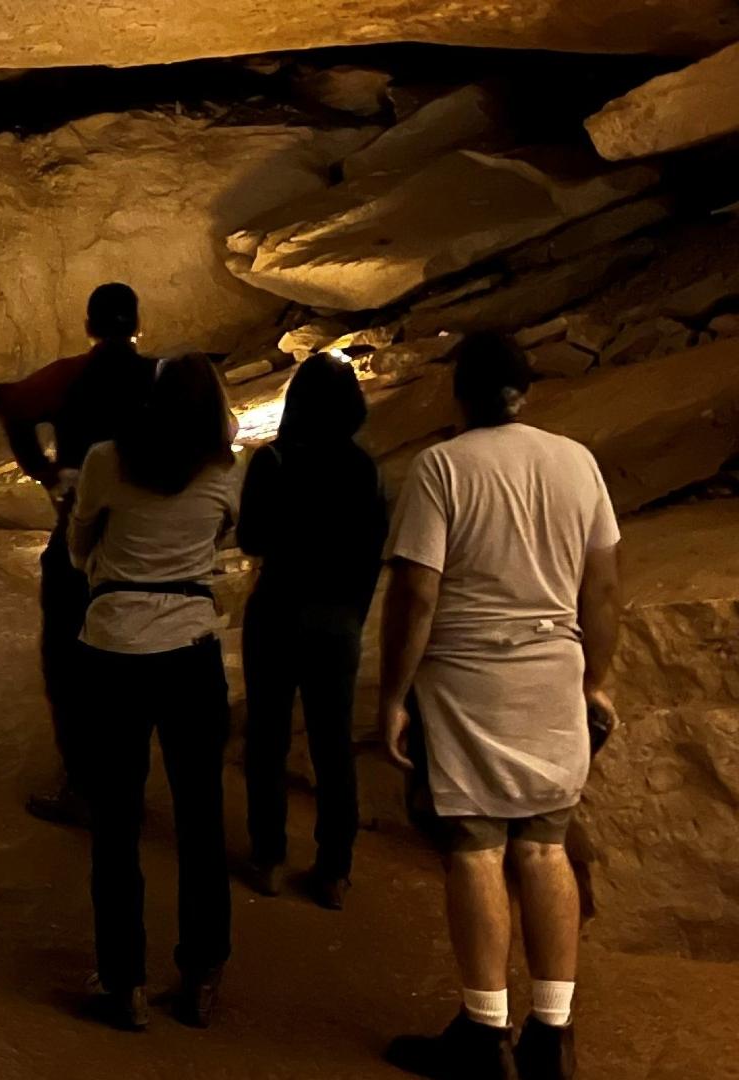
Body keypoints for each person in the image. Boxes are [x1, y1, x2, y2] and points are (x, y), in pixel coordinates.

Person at [380, 334, 621, 1080]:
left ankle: (486, 1036)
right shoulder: (575, 461)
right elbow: (603, 586)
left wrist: (393, 694)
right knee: (545, 849)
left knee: (477, 850)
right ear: (527, 390)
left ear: (461, 392)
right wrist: (595, 680)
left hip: (466, 682)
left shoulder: (442, 467)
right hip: (553, 675)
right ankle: (554, 1033)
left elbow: (417, 592)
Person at [66, 354, 239, 1032]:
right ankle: (200, 975)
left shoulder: (109, 459)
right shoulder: (228, 470)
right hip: (191, 652)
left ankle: (123, 982)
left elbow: (80, 545)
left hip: (112, 648)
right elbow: (232, 533)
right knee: (201, 821)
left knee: (116, 823)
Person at [0, 283, 157, 825]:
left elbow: (14, 405)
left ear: (89, 326)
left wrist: (41, 469)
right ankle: (128, 783)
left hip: (79, 533)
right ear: (139, 326)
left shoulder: (68, 376)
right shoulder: (160, 378)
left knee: (67, 660)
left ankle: (83, 782)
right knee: (132, 663)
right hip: (143, 541)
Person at [239, 353, 388, 910]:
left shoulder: (272, 461)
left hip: (278, 609)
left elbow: (251, 540)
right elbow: (373, 551)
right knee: (333, 744)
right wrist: (355, 613)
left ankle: (269, 855)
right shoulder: (365, 469)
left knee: (268, 737)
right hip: (337, 619)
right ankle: (334, 869)